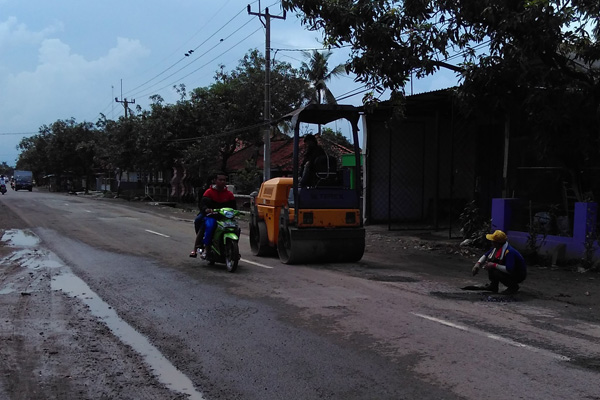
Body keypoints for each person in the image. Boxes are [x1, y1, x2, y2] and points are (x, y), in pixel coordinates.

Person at [189, 172, 236, 259]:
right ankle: (203, 248)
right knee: (208, 226)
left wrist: (236, 212)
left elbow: (234, 207)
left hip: (224, 217)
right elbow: (203, 204)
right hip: (211, 216)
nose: (222, 182)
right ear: (215, 180)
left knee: (236, 227)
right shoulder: (209, 192)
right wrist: (206, 209)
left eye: (224, 180)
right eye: (220, 180)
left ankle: (231, 247)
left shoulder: (229, 194)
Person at [472, 230, 527, 294]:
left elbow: (509, 269)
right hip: (511, 270)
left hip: (518, 274)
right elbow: (486, 255)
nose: (491, 243)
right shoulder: (496, 248)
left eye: (493, 241)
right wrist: (478, 264)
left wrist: (494, 265)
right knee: (491, 261)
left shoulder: (509, 252)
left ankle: (513, 286)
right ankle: (493, 285)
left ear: (497, 243)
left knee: (495, 269)